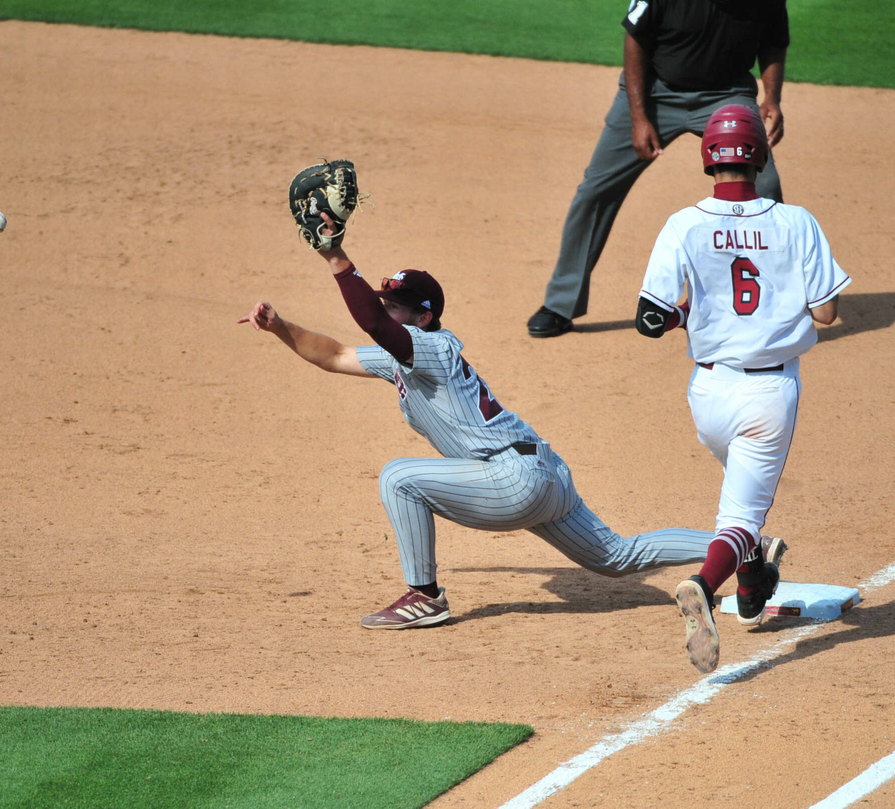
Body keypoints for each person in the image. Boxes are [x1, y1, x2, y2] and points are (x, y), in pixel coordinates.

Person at [240, 215, 716, 629]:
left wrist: (335, 256)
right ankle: (739, 545)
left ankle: (425, 597)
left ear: (423, 317)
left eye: (395, 306)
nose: (385, 311)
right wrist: (280, 327)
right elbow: (336, 354)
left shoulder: (431, 347)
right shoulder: (404, 358)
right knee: (616, 556)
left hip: (515, 479)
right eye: (385, 303)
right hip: (546, 475)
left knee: (398, 478)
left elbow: (374, 327)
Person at [635, 104, 850, 673]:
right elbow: (826, 313)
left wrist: (693, 314)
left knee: (739, 492)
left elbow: (650, 319)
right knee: (740, 517)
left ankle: (752, 581)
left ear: (709, 156)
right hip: (768, 395)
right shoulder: (795, 222)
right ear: (760, 156)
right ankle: (705, 585)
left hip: (707, 395)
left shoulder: (683, 224)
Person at [529, 0, 789, 338]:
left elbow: (773, 42)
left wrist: (772, 98)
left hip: (727, 95)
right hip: (654, 92)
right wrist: (639, 117)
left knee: (765, 187)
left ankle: (778, 301)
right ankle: (560, 305)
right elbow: (635, 39)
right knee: (596, 189)